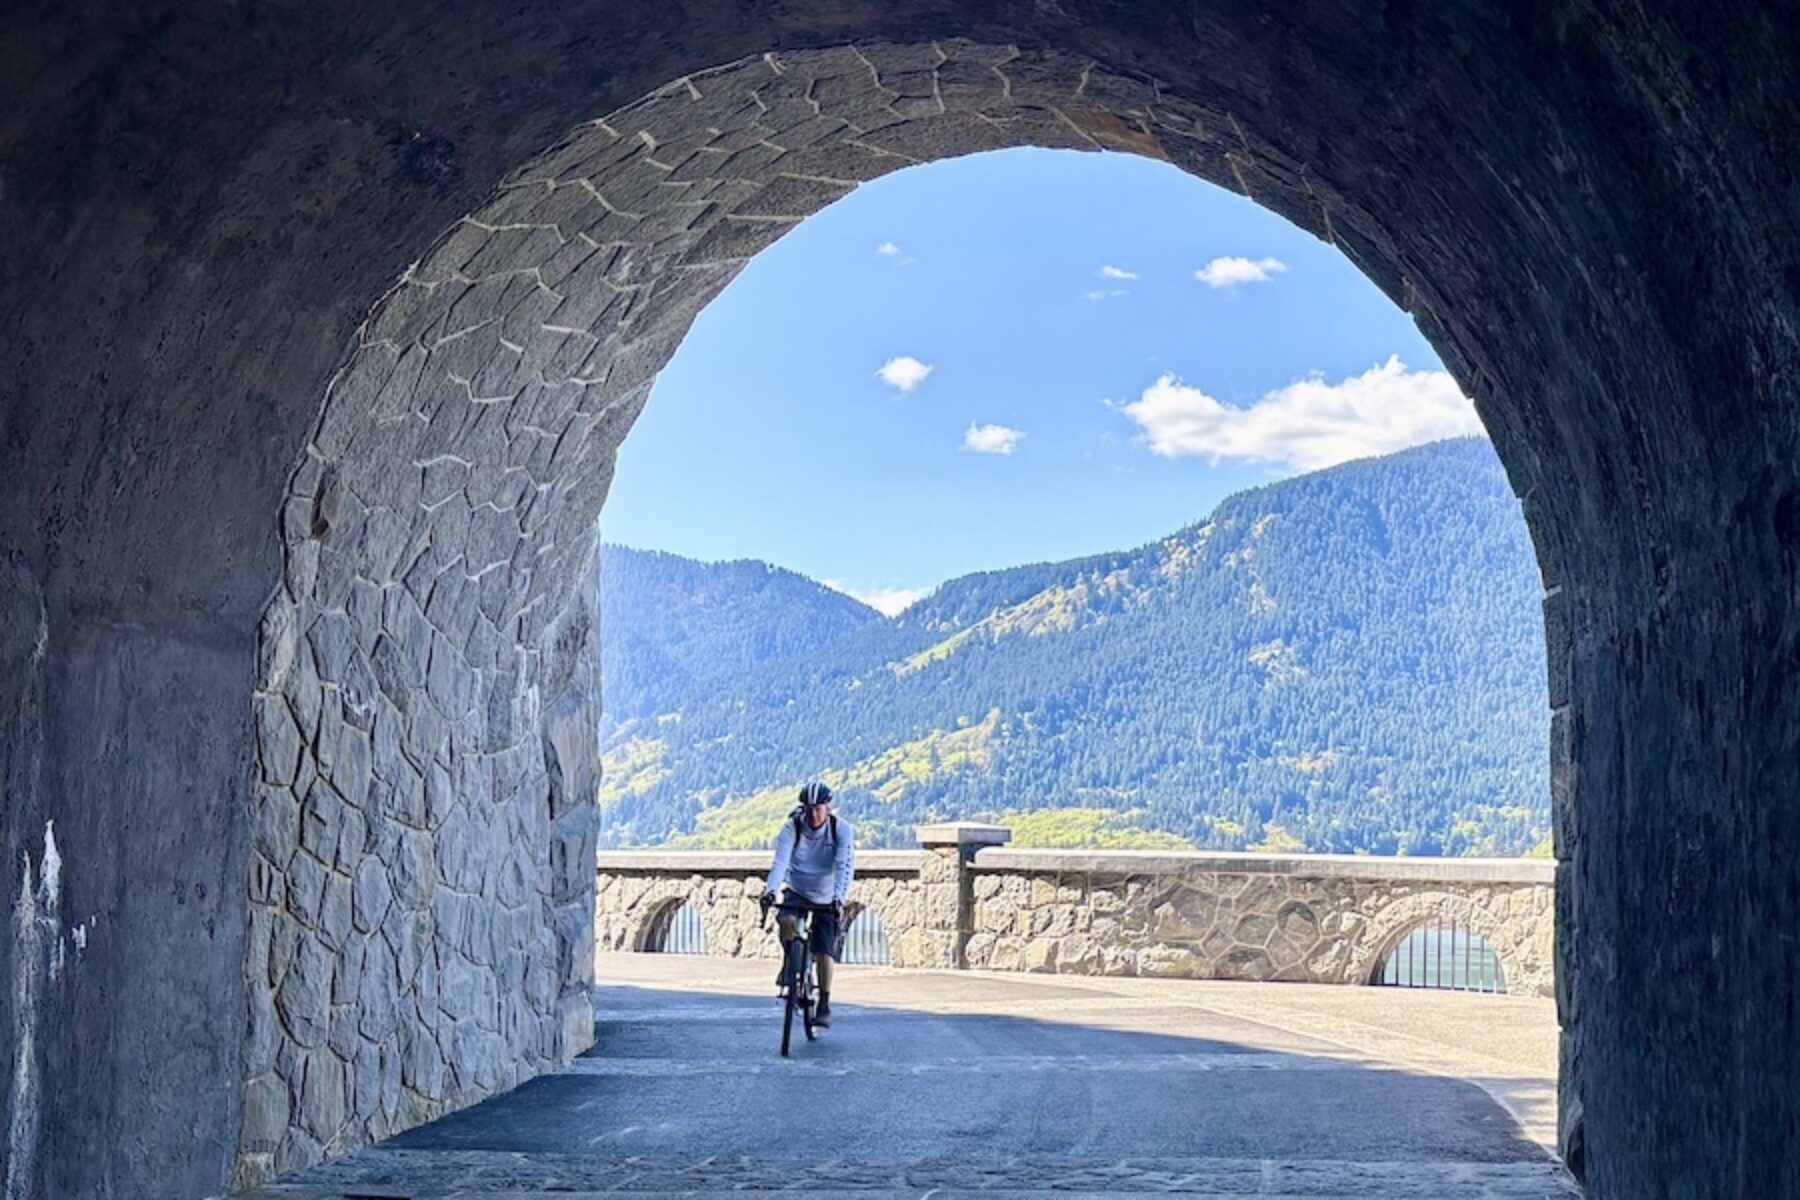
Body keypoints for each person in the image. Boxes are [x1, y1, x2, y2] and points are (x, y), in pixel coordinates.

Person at [760, 781, 855, 1027]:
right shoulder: (792, 828)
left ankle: (823, 1002)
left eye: (819, 808)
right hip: (798, 888)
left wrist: (839, 898)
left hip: (827, 894)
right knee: (786, 920)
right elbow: (780, 863)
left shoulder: (841, 830)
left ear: (828, 807)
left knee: (824, 950)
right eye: (809, 808)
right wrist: (770, 891)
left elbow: (845, 866)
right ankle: (791, 961)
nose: (814, 814)